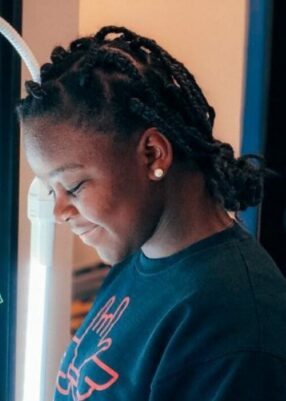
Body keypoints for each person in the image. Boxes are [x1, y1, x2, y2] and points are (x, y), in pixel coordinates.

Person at [17, 26, 286, 401]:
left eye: (74, 187)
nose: (60, 210)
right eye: (52, 190)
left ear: (152, 154)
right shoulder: (136, 258)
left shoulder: (235, 323)